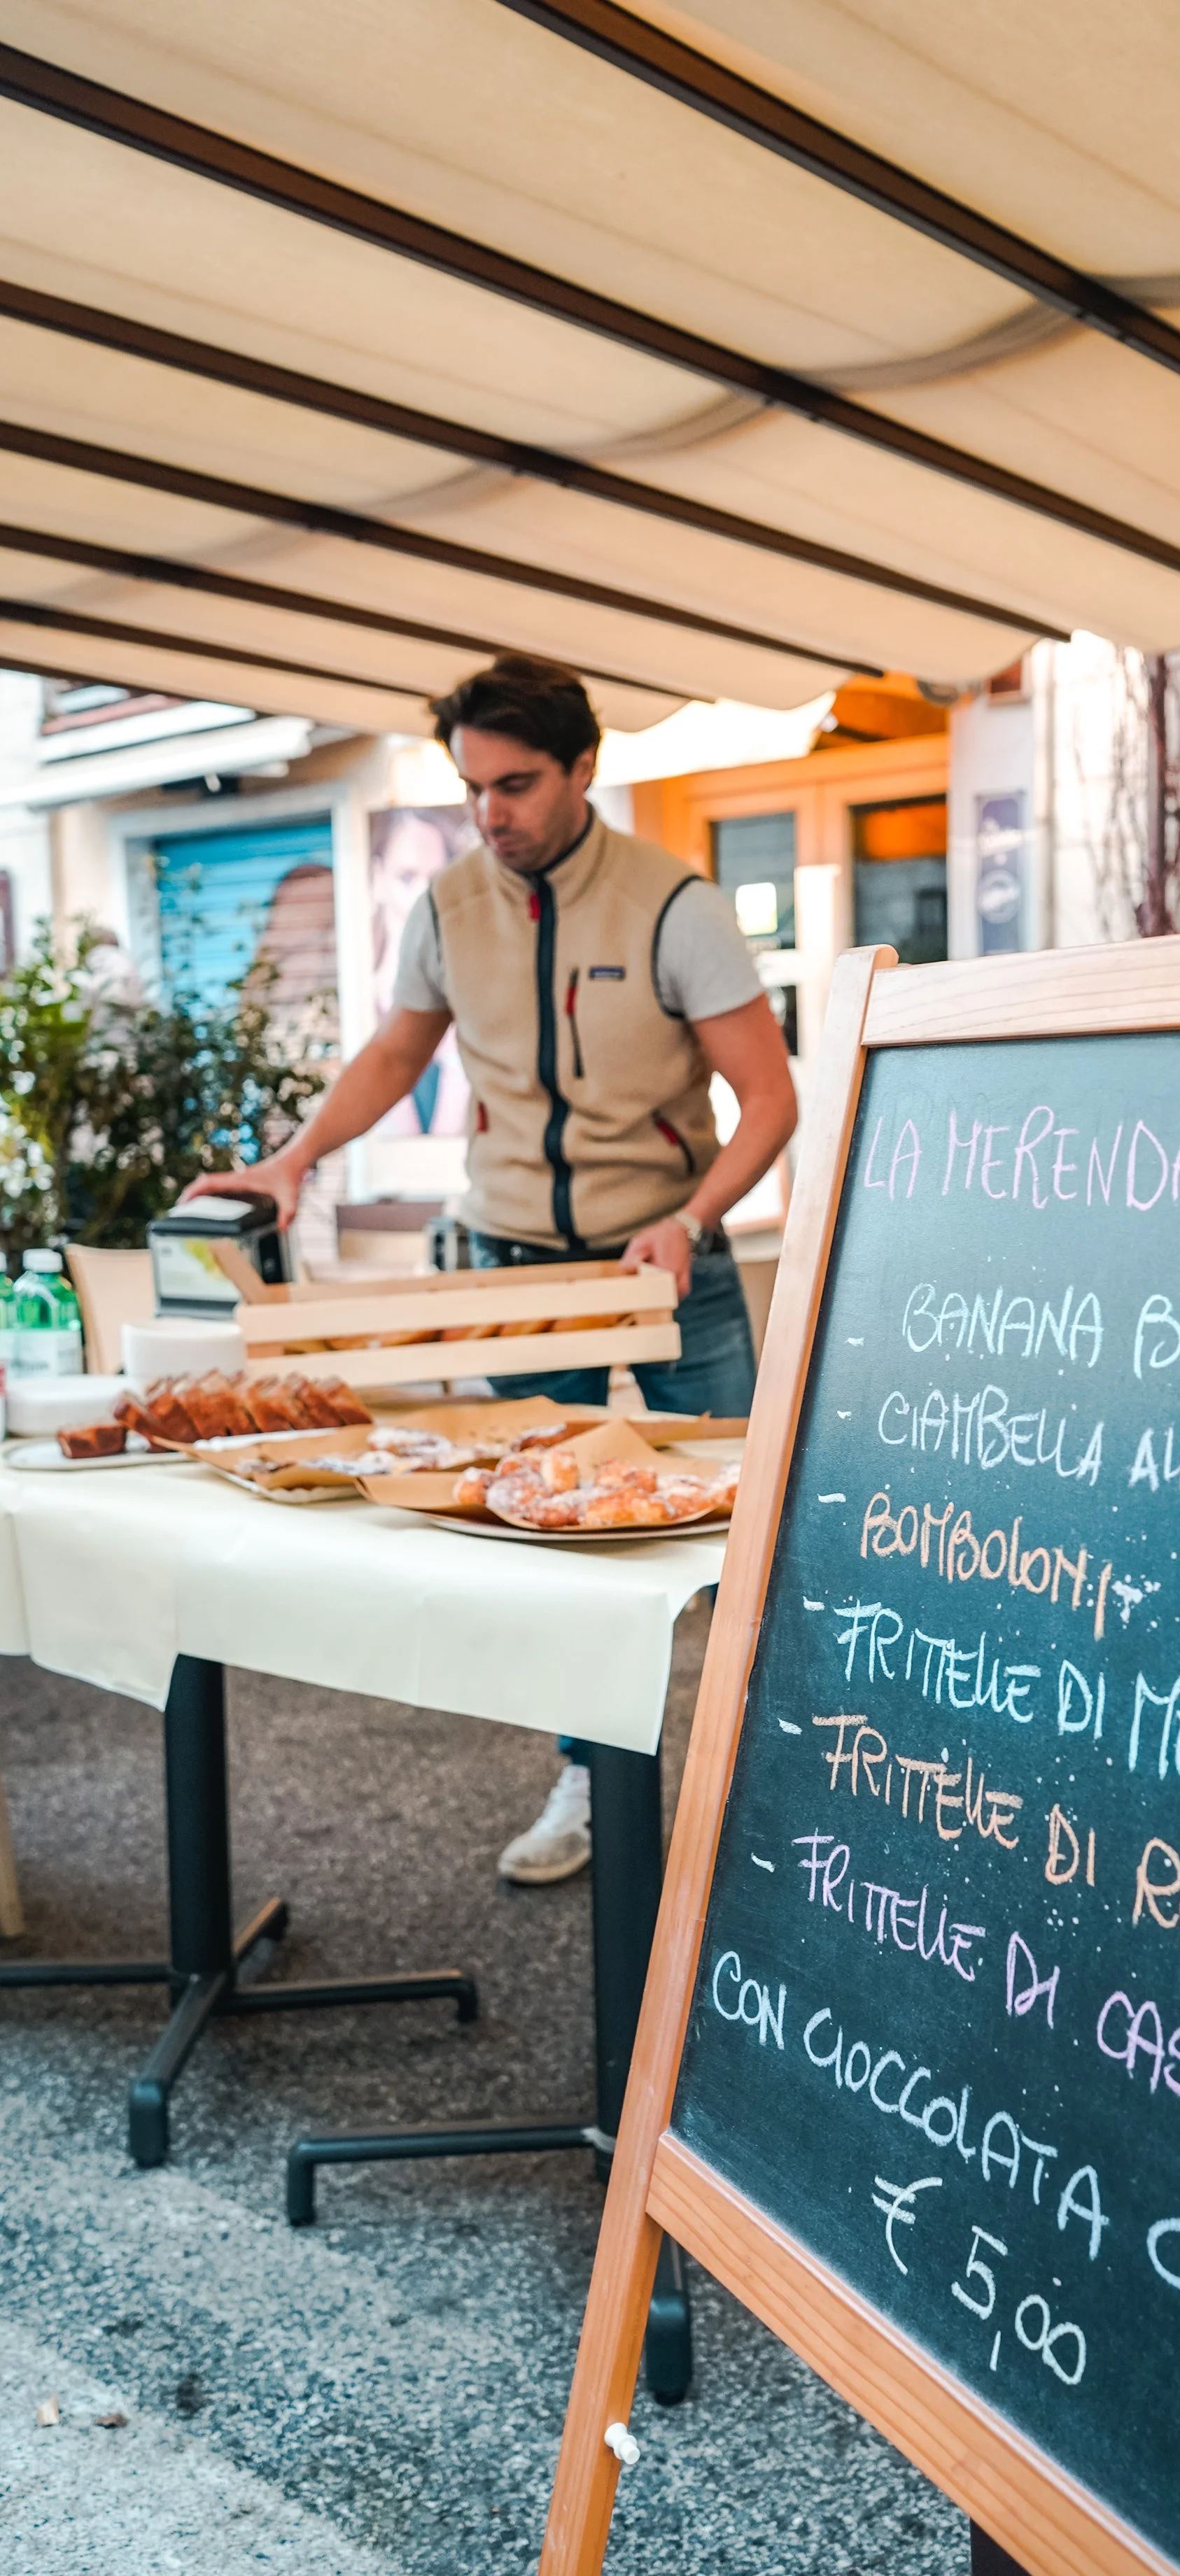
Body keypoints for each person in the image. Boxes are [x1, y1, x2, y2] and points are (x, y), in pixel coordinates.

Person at [185, 655, 797, 1884]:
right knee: (546, 1537)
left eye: (516, 785)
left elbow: (772, 1097)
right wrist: (297, 1157)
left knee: (757, 1529)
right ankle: (588, 1777)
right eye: (472, 788)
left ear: (584, 768)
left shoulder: (675, 903)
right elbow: (394, 1052)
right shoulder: (450, 905)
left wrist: (693, 1217)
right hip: (519, 1269)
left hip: (669, 1260)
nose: (490, 814)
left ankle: (772, 1784)